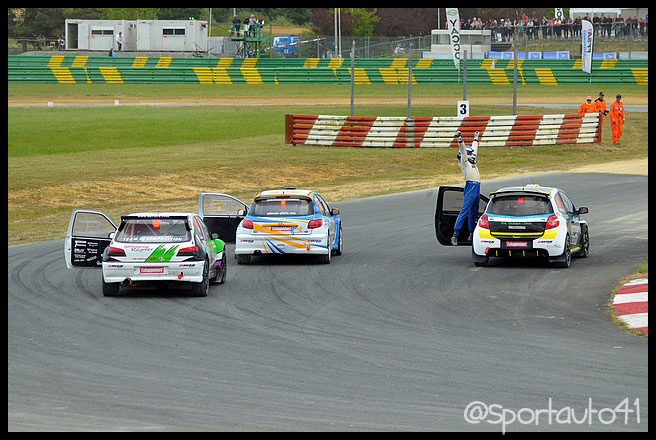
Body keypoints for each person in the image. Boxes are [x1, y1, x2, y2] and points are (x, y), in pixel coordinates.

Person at [451, 130, 481, 246]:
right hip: (471, 187)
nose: (473, 154)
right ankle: (455, 234)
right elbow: (463, 150)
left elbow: (475, 149)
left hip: (477, 187)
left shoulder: (471, 160)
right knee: (464, 211)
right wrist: (460, 139)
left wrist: (476, 138)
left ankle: (472, 234)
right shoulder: (464, 162)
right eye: (470, 153)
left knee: (473, 213)